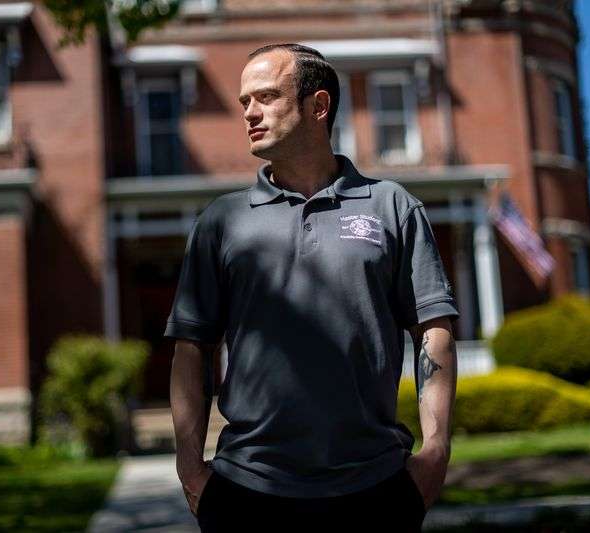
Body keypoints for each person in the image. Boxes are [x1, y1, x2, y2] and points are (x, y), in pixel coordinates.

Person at [165, 43, 459, 532]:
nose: (249, 114)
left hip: (376, 487)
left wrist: (435, 452)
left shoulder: (392, 207)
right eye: (243, 103)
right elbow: (190, 348)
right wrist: (190, 468)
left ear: (317, 106)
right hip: (247, 490)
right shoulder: (221, 221)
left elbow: (434, 329)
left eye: (265, 97)